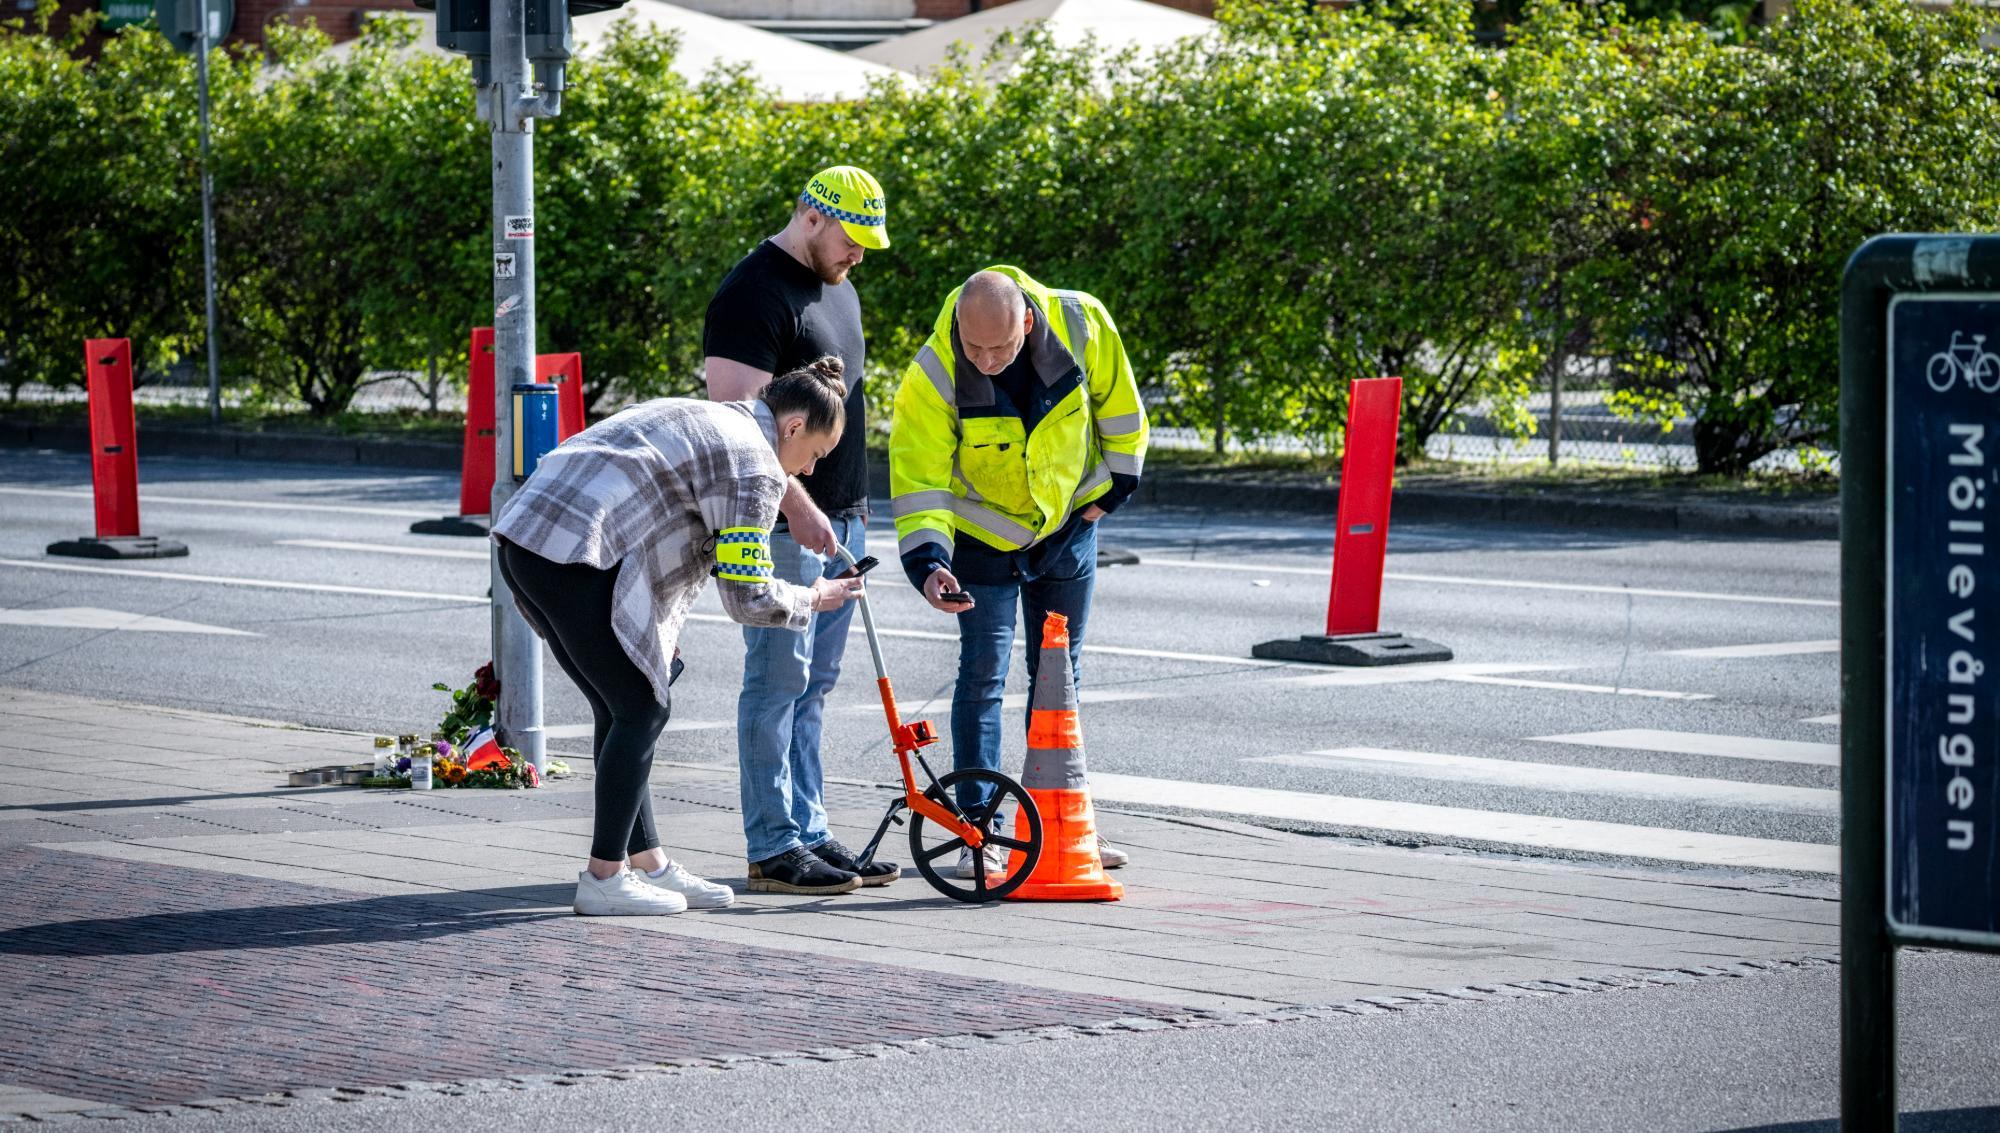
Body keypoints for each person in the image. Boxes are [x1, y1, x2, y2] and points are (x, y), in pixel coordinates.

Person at [492, 357, 866, 916]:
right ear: (792, 428)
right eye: (814, 453)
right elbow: (748, 597)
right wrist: (815, 597)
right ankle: (604, 878)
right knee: (642, 707)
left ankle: (650, 865)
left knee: (623, 704)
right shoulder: (757, 466)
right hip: (572, 552)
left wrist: (657, 629)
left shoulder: (717, 417)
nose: (808, 471)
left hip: (529, 539)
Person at [887, 267, 1148, 879]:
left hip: (1069, 528)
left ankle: (1059, 823)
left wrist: (1112, 494)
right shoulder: (935, 370)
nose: (984, 360)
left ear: (1027, 322)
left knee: (1058, 679)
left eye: (998, 347)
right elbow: (920, 476)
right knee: (983, 676)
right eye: (973, 346)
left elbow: (1122, 410)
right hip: (984, 541)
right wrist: (929, 562)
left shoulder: (1082, 322)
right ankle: (979, 829)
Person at [702, 165, 900, 894]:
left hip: (840, 516)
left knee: (813, 685)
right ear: (812, 217)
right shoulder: (752, 293)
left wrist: (848, 504)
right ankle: (773, 845)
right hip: (784, 522)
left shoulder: (838, 285)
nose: (859, 256)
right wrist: (800, 506)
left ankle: (809, 831)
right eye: (852, 239)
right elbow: (738, 427)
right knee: (777, 682)